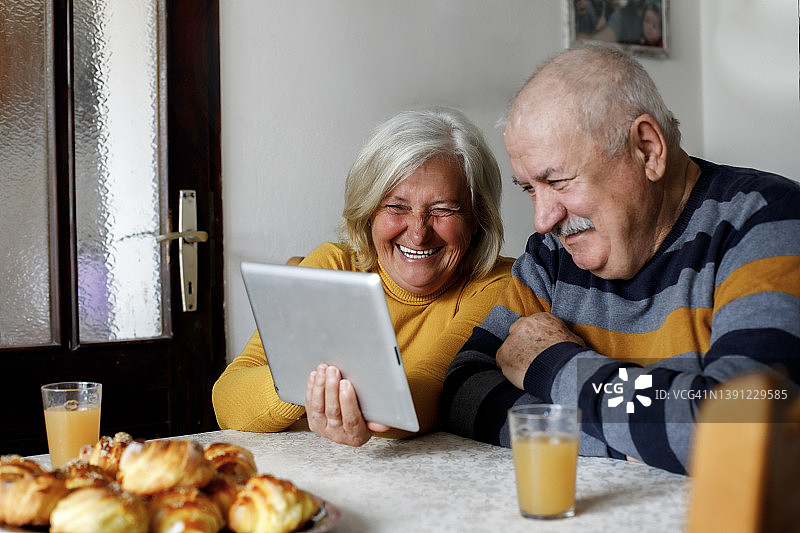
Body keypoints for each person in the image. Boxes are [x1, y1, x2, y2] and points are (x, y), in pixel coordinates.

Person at [438, 45, 800, 474]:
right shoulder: (552, 256)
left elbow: (742, 425)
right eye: (529, 188)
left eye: (558, 180)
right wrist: (642, 441)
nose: (542, 219)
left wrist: (552, 363)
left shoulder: (767, 222)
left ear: (647, 150)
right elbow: (461, 390)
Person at [213, 108, 513, 447]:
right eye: (396, 207)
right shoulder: (333, 265)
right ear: (368, 211)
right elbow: (228, 399)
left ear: (477, 218)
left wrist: (331, 386)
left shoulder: (499, 285)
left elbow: (434, 388)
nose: (418, 233)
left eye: (443, 210)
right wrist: (317, 387)